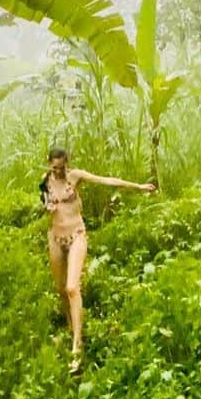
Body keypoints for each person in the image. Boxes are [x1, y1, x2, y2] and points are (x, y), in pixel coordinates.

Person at [40, 146, 155, 375]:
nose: (60, 172)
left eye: (63, 167)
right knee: (61, 290)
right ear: (49, 164)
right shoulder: (45, 181)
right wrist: (48, 207)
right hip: (55, 238)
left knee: (73, 288)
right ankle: (72, 327)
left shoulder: (76, 177)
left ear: (67, 163)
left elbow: (107, 181)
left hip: (76, 235)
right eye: (56, 168)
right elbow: (44, 204)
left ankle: (77, 346)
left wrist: (138, 187)